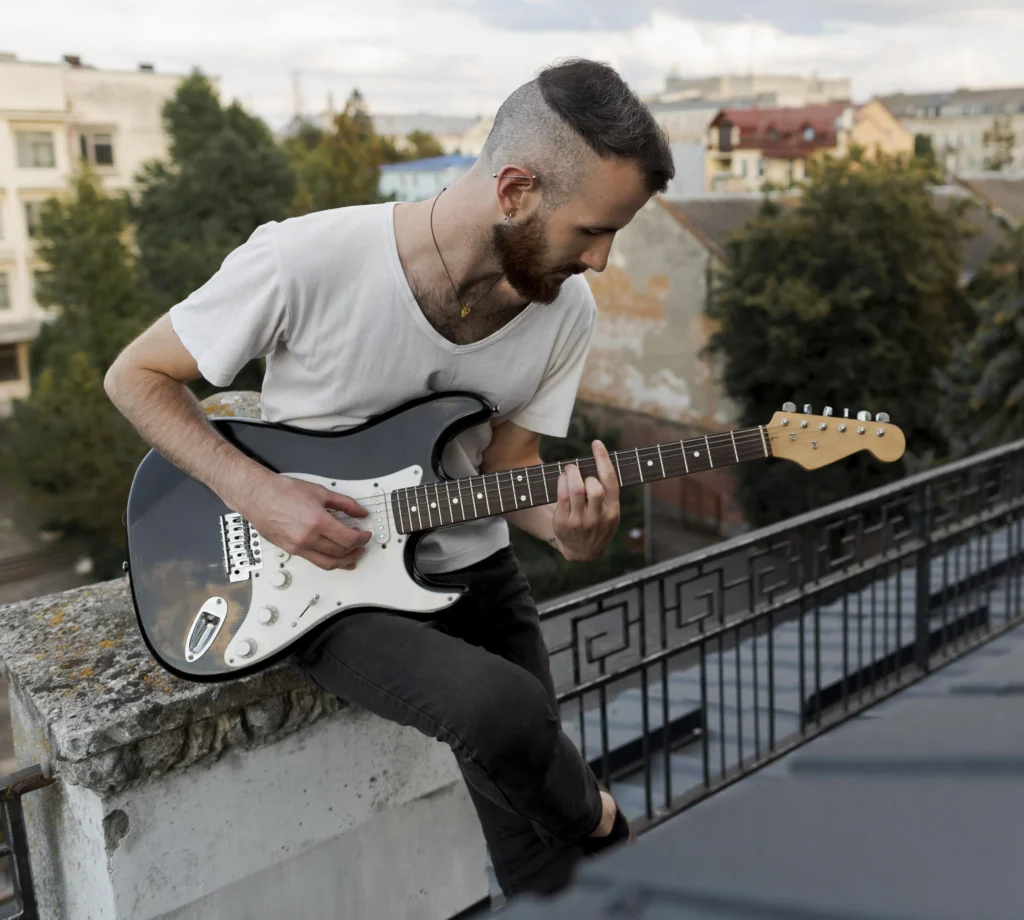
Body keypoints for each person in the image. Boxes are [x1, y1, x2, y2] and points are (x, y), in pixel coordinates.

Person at [104, 57, 674, 900]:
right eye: (592, 230)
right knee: (506, 716)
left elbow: (509, 470)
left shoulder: (564, 312)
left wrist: (570, 528)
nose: (601, 259)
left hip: (475, 574)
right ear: (515, 190)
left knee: (542, 860)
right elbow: (135, 377)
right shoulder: (306, 259)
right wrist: (257, 492)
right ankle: (603, 820)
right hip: (326, 583)